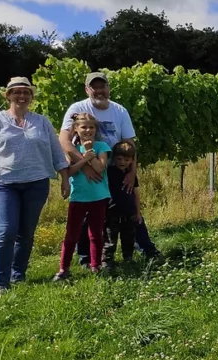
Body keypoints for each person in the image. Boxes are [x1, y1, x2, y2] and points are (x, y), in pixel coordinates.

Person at [0, 77, 71, 295]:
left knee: (26, 232)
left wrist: (64, 178)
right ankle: (0, 282)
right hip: (2, 183)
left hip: (36, 183)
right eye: (17, 92)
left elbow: (57, 152)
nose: (22, 96)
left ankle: (18, 275)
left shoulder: (42, 122)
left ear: (31, 96)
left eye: (26, 92)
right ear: (8, 95)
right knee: (6, 230)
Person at [59, 72, 161, 263]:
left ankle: (146, 249)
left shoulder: (119, 111)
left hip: (116, 169)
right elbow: (64, 141)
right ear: (87, 90)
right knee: (87, 213)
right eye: (94, 87)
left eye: (102, 86)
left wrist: (132, 172)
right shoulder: (78, 108)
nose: (99, 91)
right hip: (86, 169)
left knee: (129, 208)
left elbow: (129, 143)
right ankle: (86, 258)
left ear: (108, 88)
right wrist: (85, 166)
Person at [55, 113, 111, 281]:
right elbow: (69, 171)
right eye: (83, 127)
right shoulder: (72, 150)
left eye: (91, 127)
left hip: (98, 197)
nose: (88, 130)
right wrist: (83, 160)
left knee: (96, 234)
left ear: (96, 129)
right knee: (71, 235)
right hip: (78, 197)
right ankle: (64, 268)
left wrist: (89, 152)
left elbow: (100, 169)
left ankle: (95, 266)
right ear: (75, 129)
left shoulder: (101, 146)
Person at [103, 140, 142, 270]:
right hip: (112, 212)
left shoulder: (131, 175)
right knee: (110, 239)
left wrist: (137, 212)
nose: (122, 162)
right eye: (119, 159)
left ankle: (128, 259)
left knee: (129, 239)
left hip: (129, 212)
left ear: (132, 160)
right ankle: (107, 262)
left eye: (126, 159)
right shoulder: (109, 173)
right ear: (113, 158)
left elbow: (136, 194)